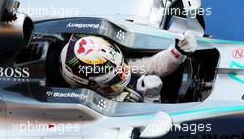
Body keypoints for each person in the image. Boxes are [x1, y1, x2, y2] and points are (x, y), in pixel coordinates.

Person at [60, 31, 197, 102]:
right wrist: (151, 99)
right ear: (90, 85)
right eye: (115, 76)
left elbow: (148, 66)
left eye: (121, 66)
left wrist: (177, 53)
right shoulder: (84, 111)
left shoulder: (110, 65)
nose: (124, 73)